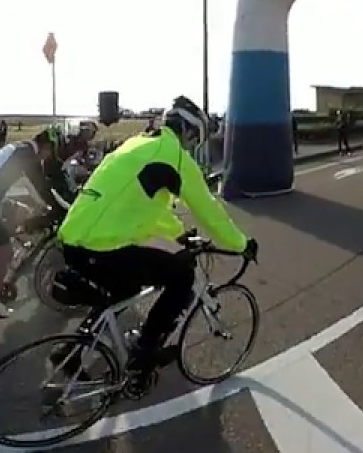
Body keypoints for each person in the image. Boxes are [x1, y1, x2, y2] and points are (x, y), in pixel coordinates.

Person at [56, 96, 258, 389]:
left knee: (124, 289)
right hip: (99, 246)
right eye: (195, 138)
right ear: (187, 131)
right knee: (181, 276)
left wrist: (178, 232)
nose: (192, 145)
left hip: (74, 237)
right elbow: (209, 211)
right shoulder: (174, 156)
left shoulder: (138, 144)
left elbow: (146, 209)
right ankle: (144, 355)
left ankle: (73, 352)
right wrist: (241, 244)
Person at [0, 126, 73, 318]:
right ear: (46, 147)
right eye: (50, 153)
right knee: (5, 252)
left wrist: (44, 206)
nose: (47, 159)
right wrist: (61, 208)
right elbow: (41, 187)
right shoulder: (28, 156)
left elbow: (33, 189)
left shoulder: (20, 148)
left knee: (22, 211)